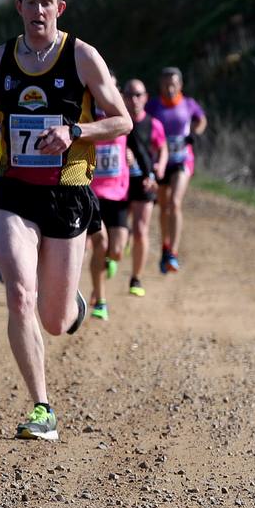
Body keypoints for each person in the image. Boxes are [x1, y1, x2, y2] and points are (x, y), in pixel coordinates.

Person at [0, 0, 129, 441]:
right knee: (19, 294)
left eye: (47, 2)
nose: (38, 10)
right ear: (18, 7)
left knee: (55, 321)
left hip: (67, 192)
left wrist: (74, 132)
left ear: (59, 9)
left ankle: (71, 305)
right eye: (30, 2)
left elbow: (122, 121)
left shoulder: (82, 56)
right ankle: (42, 406)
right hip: (15, 190)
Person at [145, 67, 207, 273]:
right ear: (160, 86)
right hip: (162, 161)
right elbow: (143, 123)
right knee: (163, 208)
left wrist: (195, 134)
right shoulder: (153, 106)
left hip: (183, 160)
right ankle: (165, 245)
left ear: (180, 85)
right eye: (165, 85)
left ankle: (174, 252)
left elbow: (202, 119)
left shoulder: (189, 104)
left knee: (175, 202)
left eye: (173, 84)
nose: (169, 88)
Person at [86, 86, 131, 321]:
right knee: (100, 243)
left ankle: (108, 265)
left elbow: (139, 143)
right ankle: (101, 300)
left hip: (119, 195)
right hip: (93, 194)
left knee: (116, 252)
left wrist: (136, 161)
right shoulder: (87, 117)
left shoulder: (122, 118)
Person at [122, 78, 167, 297]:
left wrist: (159, 167)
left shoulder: (153, 124)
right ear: (122, 97)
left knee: (141, 230)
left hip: (143, 182)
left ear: (146, 98)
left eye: (138, 95)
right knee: (118, 233)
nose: (134, 99)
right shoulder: (115, 123)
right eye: (130, 94)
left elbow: (162, 147)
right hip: (116, 183)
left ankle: (136, 278)